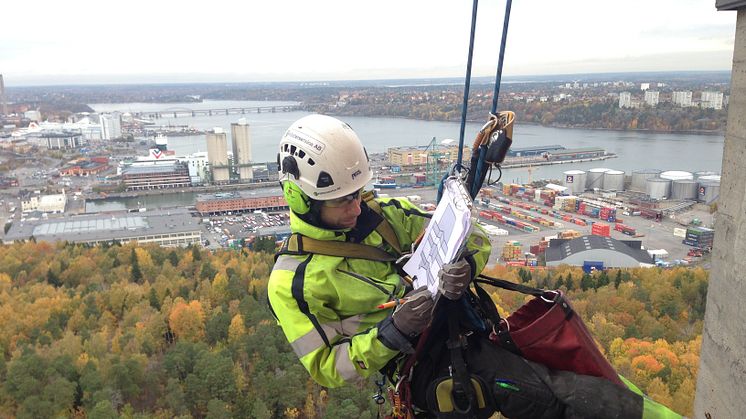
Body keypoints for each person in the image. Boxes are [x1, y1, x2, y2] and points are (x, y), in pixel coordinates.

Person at [267, 114, 682, 418]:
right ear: (302, 199)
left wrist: (464, 261)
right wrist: (394, 330)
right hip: (427, 365)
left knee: (570, 356)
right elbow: (328, 368)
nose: (358, 206)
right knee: (557, 396)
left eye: (359, 193)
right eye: (344, 200)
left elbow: (475, 234)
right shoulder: (293, 282)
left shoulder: (385, 214)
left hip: (469, 324)